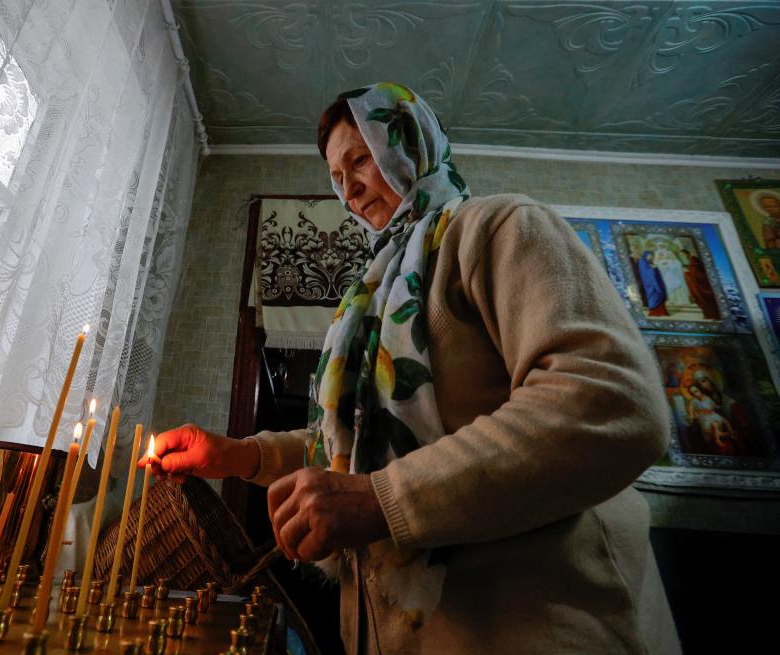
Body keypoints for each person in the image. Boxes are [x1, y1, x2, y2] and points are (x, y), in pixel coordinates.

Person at [143, 83, 680, 654]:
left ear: (411, 143)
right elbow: (356, 447)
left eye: (361, 158)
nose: (348, 190)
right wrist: (237, 456)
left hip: (539, 628)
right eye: (335, 176)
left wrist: (383, 500)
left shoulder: (495, 229)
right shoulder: (372, 296)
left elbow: (609, 401)